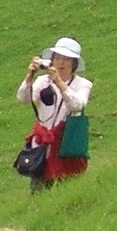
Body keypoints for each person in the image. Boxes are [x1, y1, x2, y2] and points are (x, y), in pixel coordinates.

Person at [17, 37, 93, 188]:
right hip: (42, 142)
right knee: (38, 184)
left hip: (66, 141)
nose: (61, 63)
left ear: (74, 64)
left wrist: (59, 82)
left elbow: (77, 105)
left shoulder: (83, 84)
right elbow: (23, 98)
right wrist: (29, 76)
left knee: (68, 182)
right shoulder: (42, 81)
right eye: (57, 58)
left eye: (66, 59)